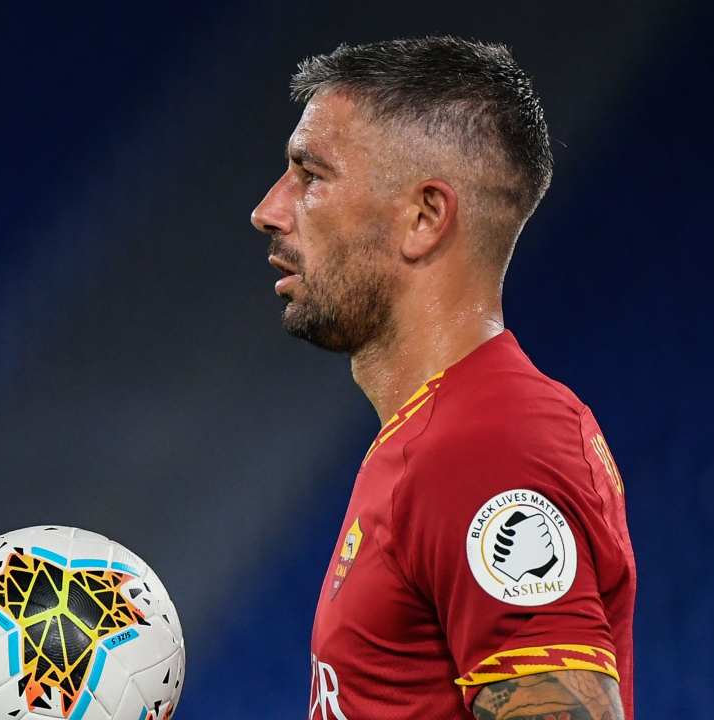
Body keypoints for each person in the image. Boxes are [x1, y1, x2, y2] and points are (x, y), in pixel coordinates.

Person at [249, 37, 635, 720]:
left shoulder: (488, 444)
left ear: (425, 217)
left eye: (310, 176)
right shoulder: (441, 435)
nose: (269, 210)